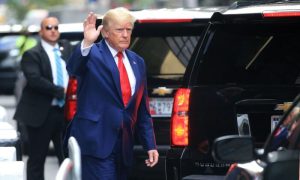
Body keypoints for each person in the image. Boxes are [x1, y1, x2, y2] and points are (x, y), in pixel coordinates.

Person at [65, 7, 159, 180]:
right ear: (106, 33)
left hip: (124, 144)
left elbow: (143, 110)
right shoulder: (92, 53)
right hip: (95, 142)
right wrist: (86, 43)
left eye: (128, 30)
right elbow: (73, 67)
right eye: (119, 30)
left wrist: (150, 145)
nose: (125, 34)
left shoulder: (137, 61)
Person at [13, 17, 72, 180]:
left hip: (66, 113)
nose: (53, 30)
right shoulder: (31, 54)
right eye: (48, 27)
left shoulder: (66, 49)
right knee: (37, 160)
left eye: (56, 27)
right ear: (41, 31)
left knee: (68, 160)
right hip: (40, 115)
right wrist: (63, 91)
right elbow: (35, 80)